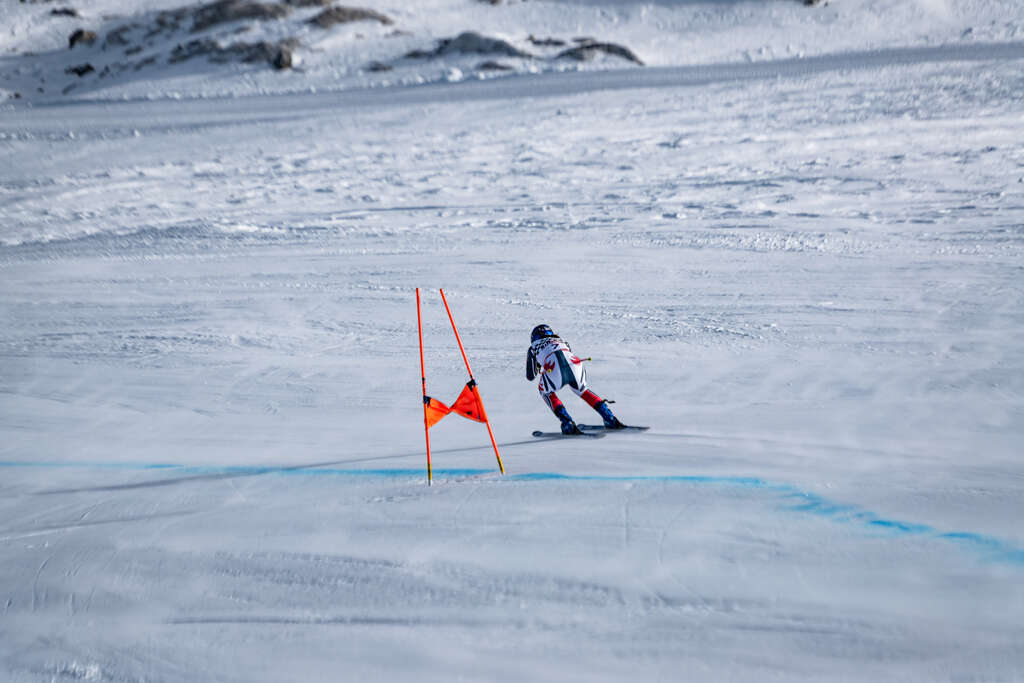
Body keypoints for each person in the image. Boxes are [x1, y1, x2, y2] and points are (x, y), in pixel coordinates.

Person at [526, 324, 625, 434]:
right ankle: (610, 418)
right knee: (582, 390)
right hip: (576, 365)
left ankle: (567, 423)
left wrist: (538, 365)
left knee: (545, 392)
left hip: (555, 369)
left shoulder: (533, 347)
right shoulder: (562, 340)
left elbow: (530, 376)